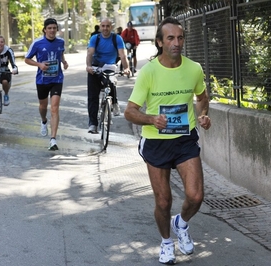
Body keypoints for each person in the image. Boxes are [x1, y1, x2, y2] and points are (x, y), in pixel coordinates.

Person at [124, 17, 211, 265]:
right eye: (170, 38)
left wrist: (203, 116)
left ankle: (180, 224)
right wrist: (152, 119)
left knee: (195, 197)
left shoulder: (193, 68)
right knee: (163, 201)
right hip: (156, 142)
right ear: (160, 42)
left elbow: (202, 98)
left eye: (180, 37)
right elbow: (130, 111)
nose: (177, 43)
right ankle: (166, 242)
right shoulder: (149, 72)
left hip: (185, 138)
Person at [24, 18, 69, 151]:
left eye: (54, 28)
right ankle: (44, 120)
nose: (52, 30)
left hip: (57, 79)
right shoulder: (37, 43)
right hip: (42, 80)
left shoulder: (61, 41)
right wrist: (39, 64)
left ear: (57, 29)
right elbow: (26, 59)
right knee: (43, 106)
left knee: (54, 108)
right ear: (45, 29)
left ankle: (53, 139)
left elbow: (60, 53)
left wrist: (64, 62)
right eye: (49, 28)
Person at [86, 18, 129, 134]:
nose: (105, 28)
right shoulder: (95, 38)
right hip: (95, 67)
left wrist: (126, 68)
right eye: (103, 26)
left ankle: (114, 102)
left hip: (110, 66)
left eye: (108, 26)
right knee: (93, 96)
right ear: (100, 27)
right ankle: (93, 124)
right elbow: (90, 53)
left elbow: (123, 55)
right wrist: (89, 66)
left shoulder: (117, 38)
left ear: (111, 27)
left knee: (111, 81)